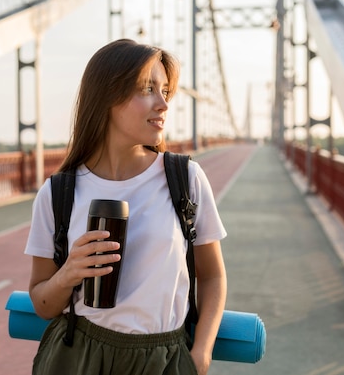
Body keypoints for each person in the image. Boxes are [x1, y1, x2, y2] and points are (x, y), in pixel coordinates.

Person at [24, 39, 227, 375]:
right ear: (107, 96)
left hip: (163, 359)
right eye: (147, 89)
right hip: (79, 358)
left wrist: (200, 355)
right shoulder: (58, 192)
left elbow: (214, 276)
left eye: (165, 91)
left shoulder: (184, 178)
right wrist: (70, 272)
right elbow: (43, 303)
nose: (163, 103)